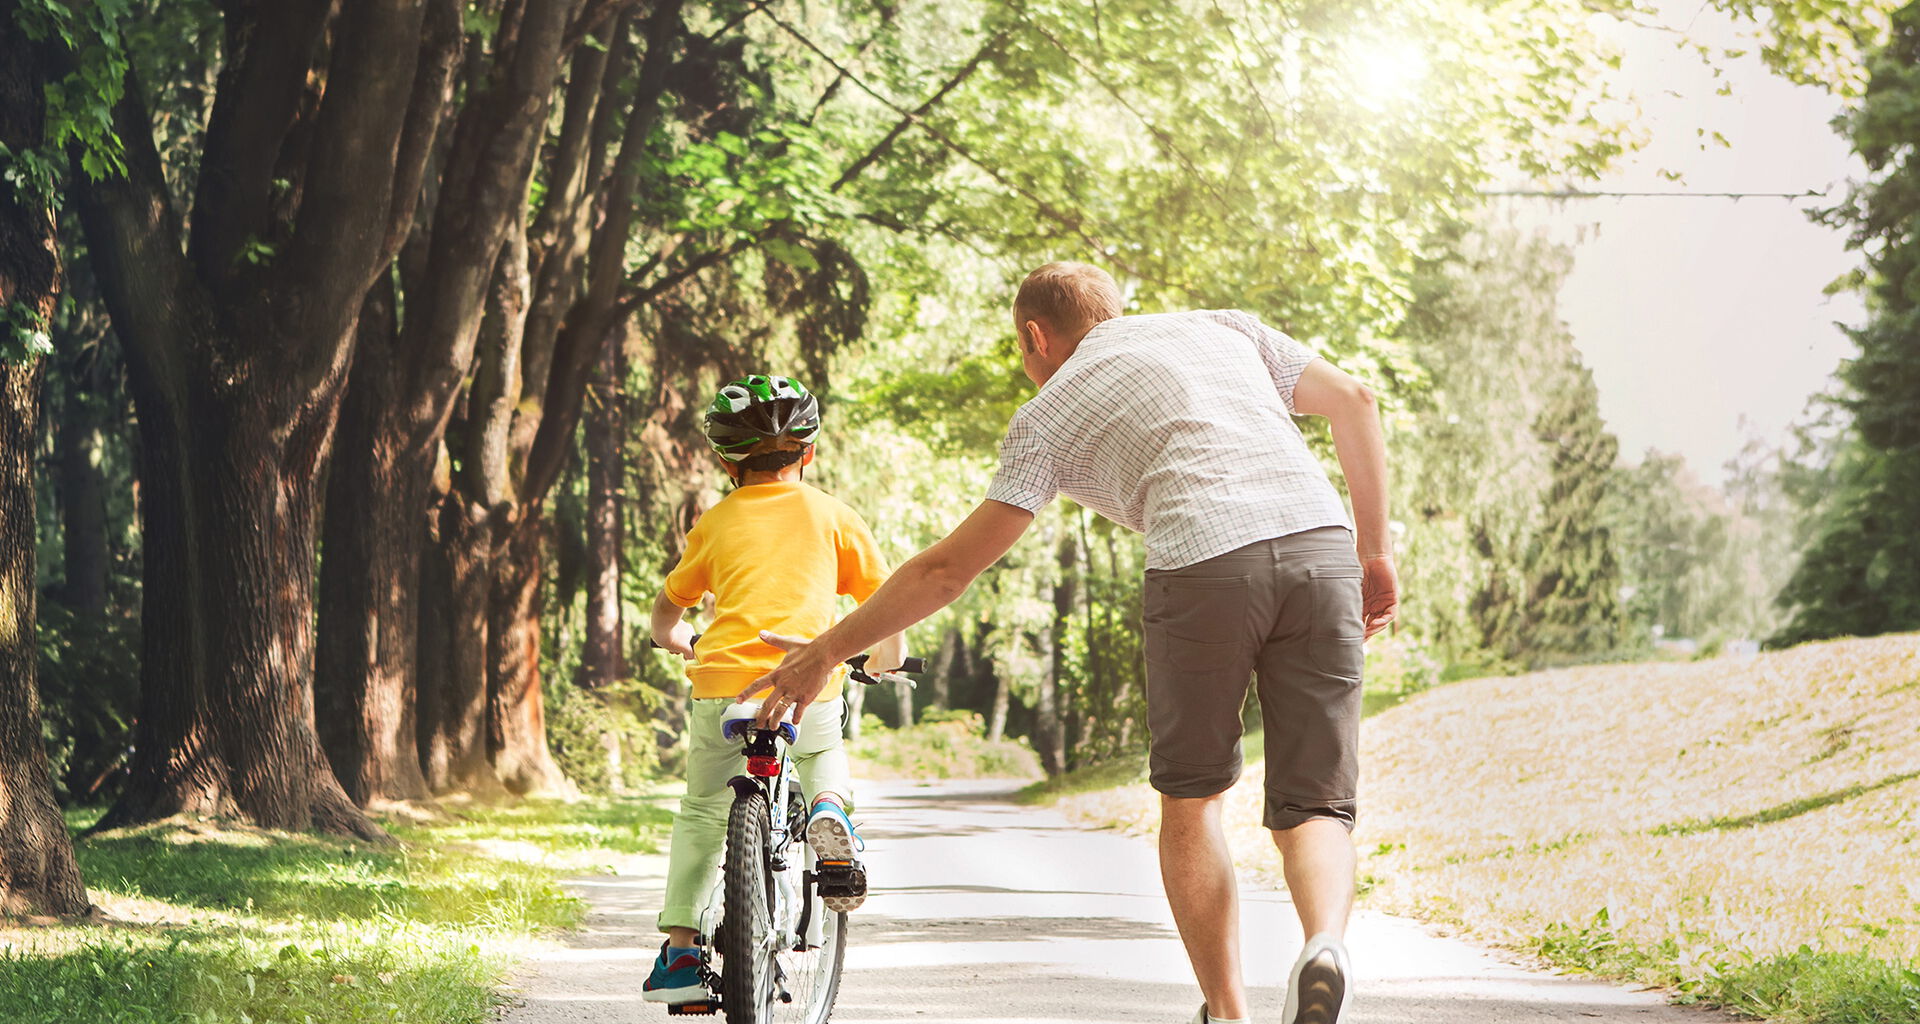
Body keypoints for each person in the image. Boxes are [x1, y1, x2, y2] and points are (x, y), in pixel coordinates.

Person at [743, 263, 1397, 1024]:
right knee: (1316, 805)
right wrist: (1374, 553)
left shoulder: (1049, 411)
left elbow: (948, 570)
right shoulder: (1223, 327)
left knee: (1193, 802)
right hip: (1321, 547)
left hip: (1203, 563)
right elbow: (1355, 400)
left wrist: (825, 648)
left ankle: (1226, 1010)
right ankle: (1323, 945)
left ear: (1035, 337)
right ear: (1113, 311)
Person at [641, 373, 906, 1006]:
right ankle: (829, 813)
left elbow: (668, 606)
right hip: (807, 684)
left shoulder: (714, 522)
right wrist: (884, 660)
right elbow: (886, 605)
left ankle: (680, 953)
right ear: (808, 452)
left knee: (704, 809)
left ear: (726, 459)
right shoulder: (835, 516)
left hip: (723, 690)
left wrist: (672, 637)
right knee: (819, 752)